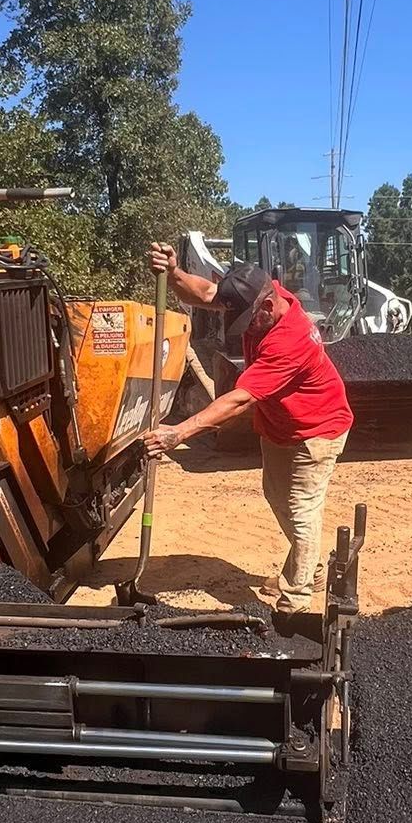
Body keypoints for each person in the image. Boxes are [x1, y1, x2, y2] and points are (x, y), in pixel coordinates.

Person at [143, 244, 353, 620]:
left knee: (302, 510)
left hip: (317, 429)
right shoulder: (256, 293)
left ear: (269, 308)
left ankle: (297, 600)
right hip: (280, 425)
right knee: (275, 495)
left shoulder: (290, 340)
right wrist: (174, 272)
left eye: (249, 322)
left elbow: (239, 400)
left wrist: (179, 433)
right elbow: (207, 293)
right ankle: (311, 567)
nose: (242, 328)